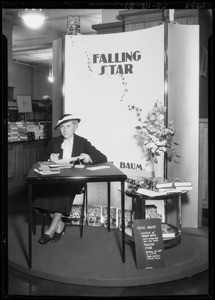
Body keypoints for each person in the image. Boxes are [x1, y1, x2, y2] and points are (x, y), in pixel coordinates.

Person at [33, 114, 107, 245]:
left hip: (73, 181)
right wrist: (50, 158)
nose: (65, 129)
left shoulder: (82, 142)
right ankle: (60, 225)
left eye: (68, 126)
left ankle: (51, 229)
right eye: (62, 127)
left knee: (63, 189)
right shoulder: (54, 142)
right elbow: (41, 160)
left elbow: (102, 157)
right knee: (42, 188)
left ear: (74, 127)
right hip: (55, 178)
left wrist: (88, 158)